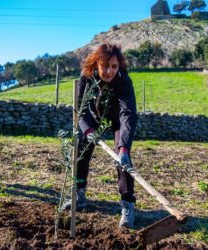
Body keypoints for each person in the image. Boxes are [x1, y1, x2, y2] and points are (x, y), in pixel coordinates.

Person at [63, 42, 137, 228]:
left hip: (118, 118)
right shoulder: (86, 77)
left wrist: (123, 148)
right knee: (81, 149)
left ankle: (127, 205)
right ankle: (79, 195)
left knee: (123, 160)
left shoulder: (124, 81)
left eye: (114, 66)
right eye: (105, 65)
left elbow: (127, 114)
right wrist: (88, 131)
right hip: (93, 116)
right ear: (97, 63)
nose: (109, 71)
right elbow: (79, 108)